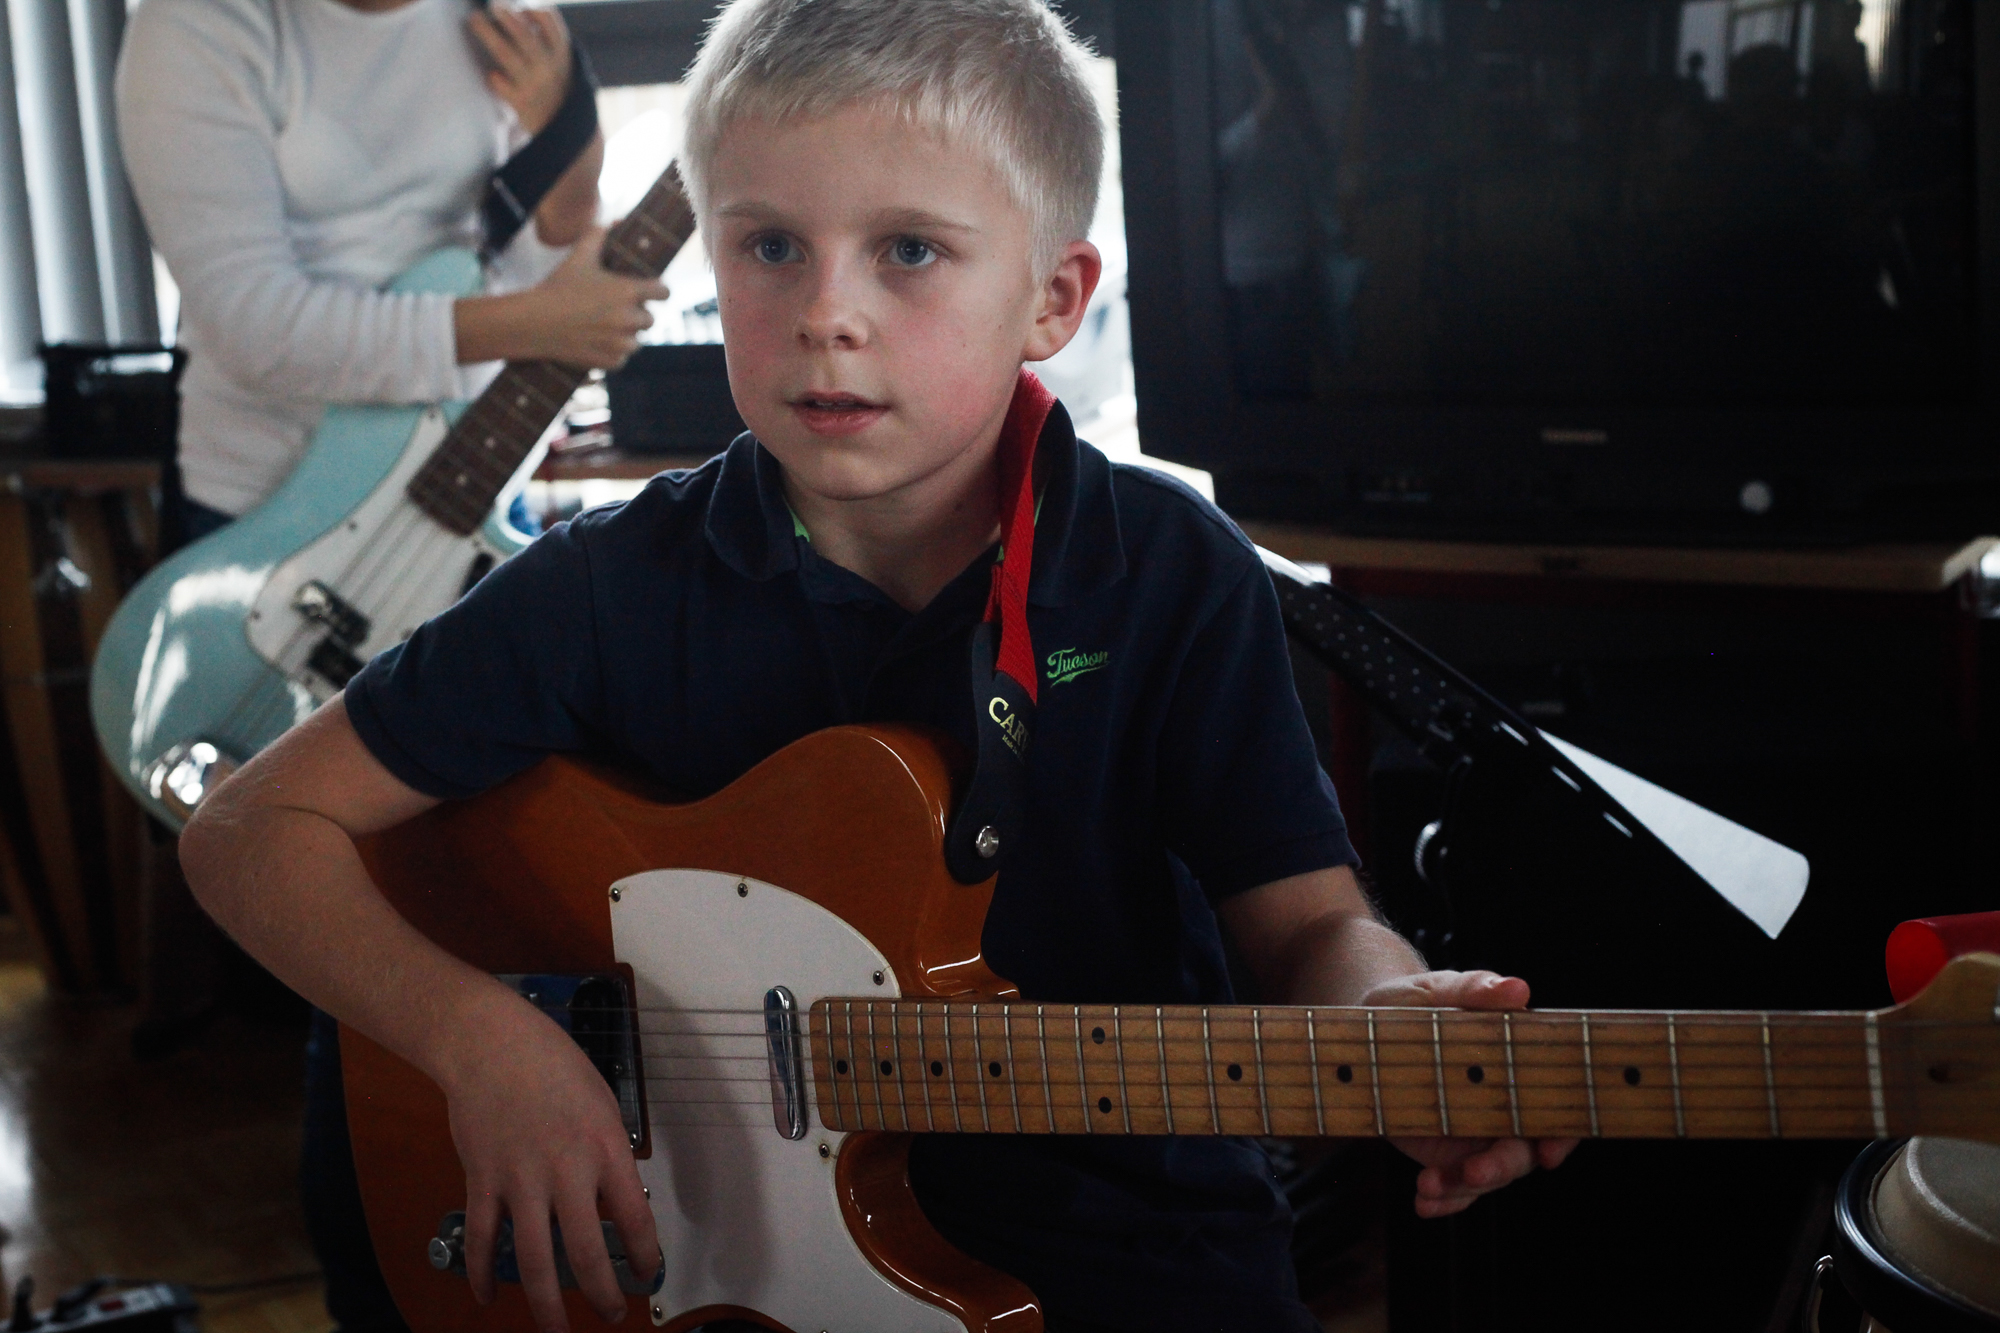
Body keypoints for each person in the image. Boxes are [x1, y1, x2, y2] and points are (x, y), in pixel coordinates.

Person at [178, 1, 1576, 1329]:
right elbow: (244, 831)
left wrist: (1388, 1017)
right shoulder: (605, 585)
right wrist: (478, 1039)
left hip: (1147, 1255)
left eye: (907, 249)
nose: (825, 312)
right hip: (737, 1266)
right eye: (769, 246)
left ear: (1052, 298)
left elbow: (1308, 921)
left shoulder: (1169, 568)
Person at [115, 0, 667, 537]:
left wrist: (573, 154)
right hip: (274, 515)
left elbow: (541, 270)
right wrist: (534, 324)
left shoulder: (500, 17)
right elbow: (254, 327)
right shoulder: (194, 25)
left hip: (479, 483)